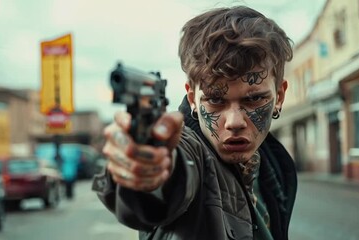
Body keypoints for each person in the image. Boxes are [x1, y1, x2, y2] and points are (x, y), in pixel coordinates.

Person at [92, 5, 297, 240]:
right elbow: (175, 170)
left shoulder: (273, 163)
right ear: (192, 98)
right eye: (215, 100)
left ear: (279, 97)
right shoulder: (191, 152)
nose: (234, 122)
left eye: (254, 99)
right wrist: (150, 168)